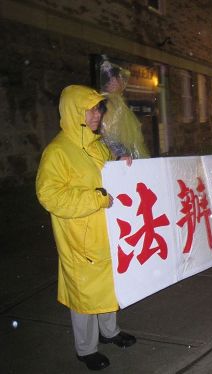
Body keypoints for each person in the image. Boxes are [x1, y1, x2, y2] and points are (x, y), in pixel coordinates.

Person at [36, 85, 135, 371]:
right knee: (83, 295)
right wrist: (96, 198)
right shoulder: (57, 152)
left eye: (98, 109)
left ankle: (110, 332)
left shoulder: (97, 145)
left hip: (105, 232)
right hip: (79, 237)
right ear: (73, 112)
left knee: (107, 286)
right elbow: (50, 196)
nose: (96, 114)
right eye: (90, 109)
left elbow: (108, 178)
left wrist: (120, 164)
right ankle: (85, 348)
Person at [99, 60, 150, 159]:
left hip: (126, 158)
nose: (122, 81)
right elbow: (107, 135)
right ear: (112, 80)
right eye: (119, 78)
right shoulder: (108, 103)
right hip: (119, 160)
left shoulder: (117, 101)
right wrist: (121, 154)